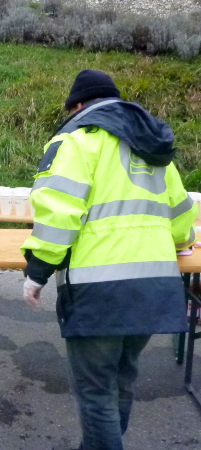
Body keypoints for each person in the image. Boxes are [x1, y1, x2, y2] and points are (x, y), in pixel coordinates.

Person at [20, 70, 198, 450]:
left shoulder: (77, 141)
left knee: (96, 391)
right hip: (153, 288)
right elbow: (182, 212)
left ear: (79, 106)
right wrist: (183, 242)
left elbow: (58, 215)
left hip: (99, 291)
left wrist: (37, 272)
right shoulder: (153, 148)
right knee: (122, 379)